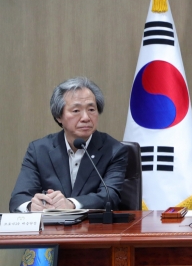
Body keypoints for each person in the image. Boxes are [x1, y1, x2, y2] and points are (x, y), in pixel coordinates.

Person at [9, 77, 128, 212]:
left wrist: (71, 204)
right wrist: (31, 206)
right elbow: (18, 198)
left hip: (93, 230)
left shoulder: (113, 150)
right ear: (59, 116)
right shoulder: (39, 150)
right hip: (51, 230)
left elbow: (110, 196)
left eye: (91, 109)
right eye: (76, 111)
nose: (86, 118)